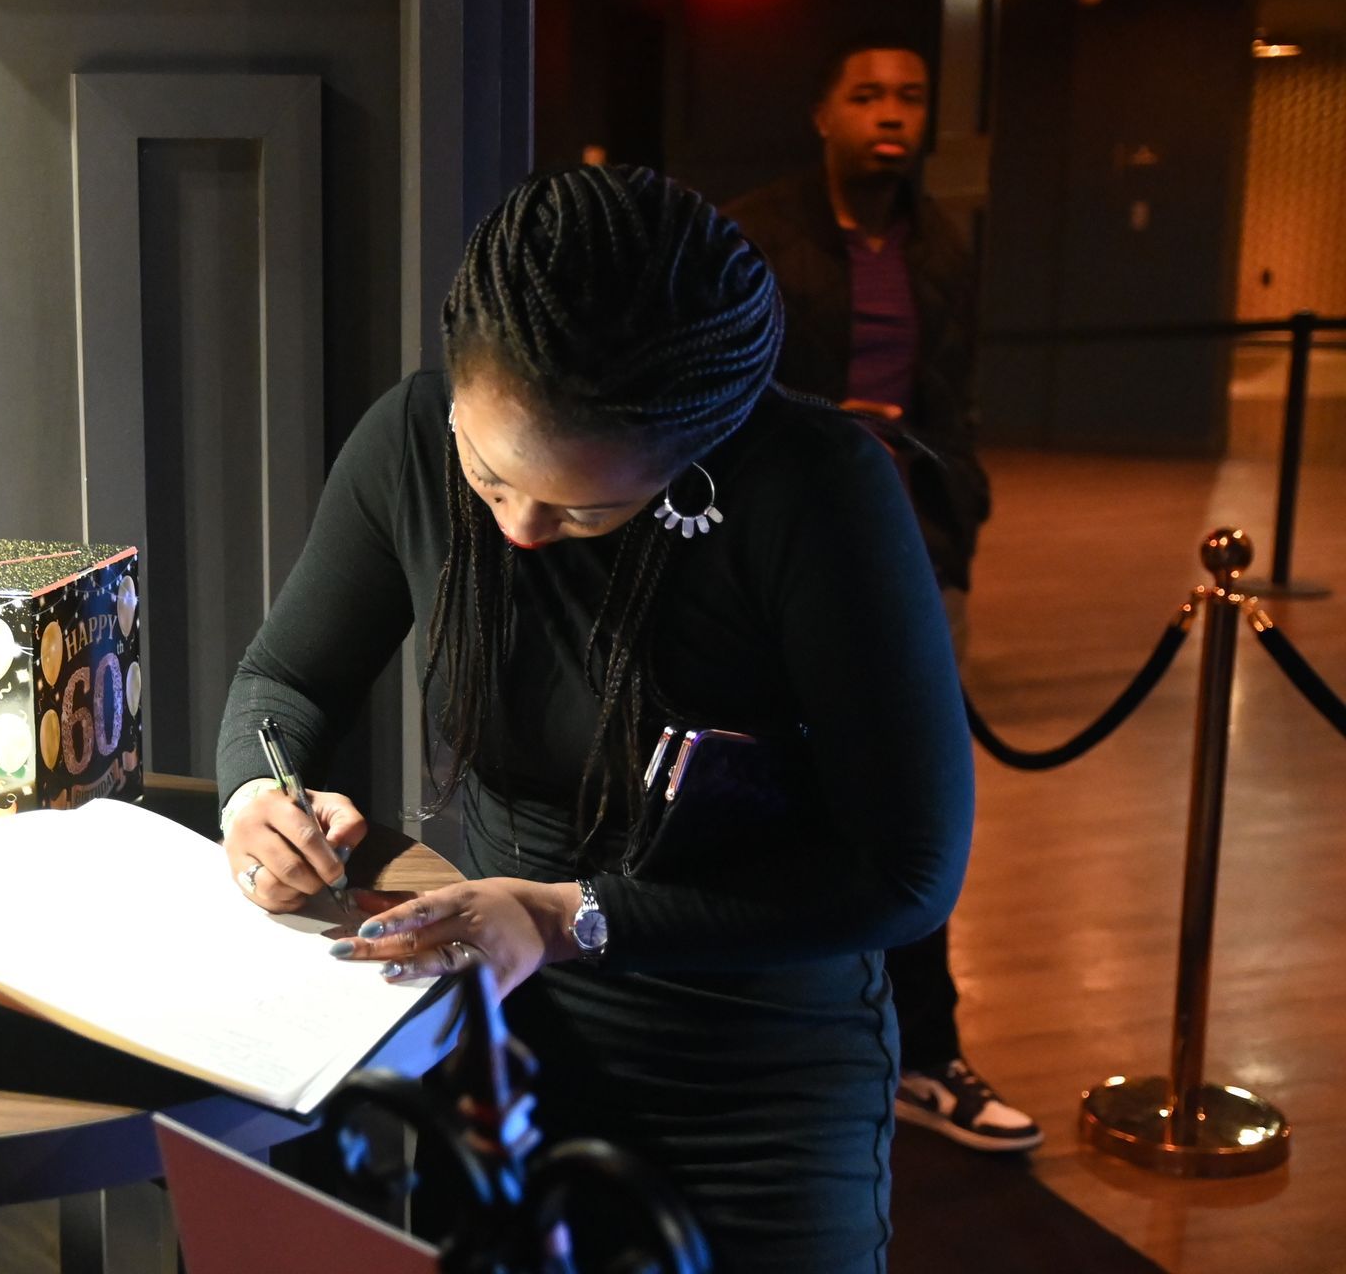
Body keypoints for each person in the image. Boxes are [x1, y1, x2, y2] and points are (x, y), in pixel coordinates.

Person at [214, 164, 972, 1273]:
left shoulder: (815, 494)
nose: (521, 529)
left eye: (586, 508)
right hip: (495, 1048)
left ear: (692, 447)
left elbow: (909, 874)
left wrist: (570, 915)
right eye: (489, 476)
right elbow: (285, 680)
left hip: (751, 1075)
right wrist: (257, 797)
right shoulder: (407, 439)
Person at [725, 39, 1041, 1154]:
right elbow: (724, 390)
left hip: (915, 556)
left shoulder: (943, 239)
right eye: (867, 95)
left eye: (910, 96)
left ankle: (925, 1050)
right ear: (825, 114)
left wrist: (957, 526)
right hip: (783, 558)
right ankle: (780, 1052)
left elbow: (955, 400)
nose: (892, 113)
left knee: (913, 810)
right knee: (774, 801)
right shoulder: (756, 231)